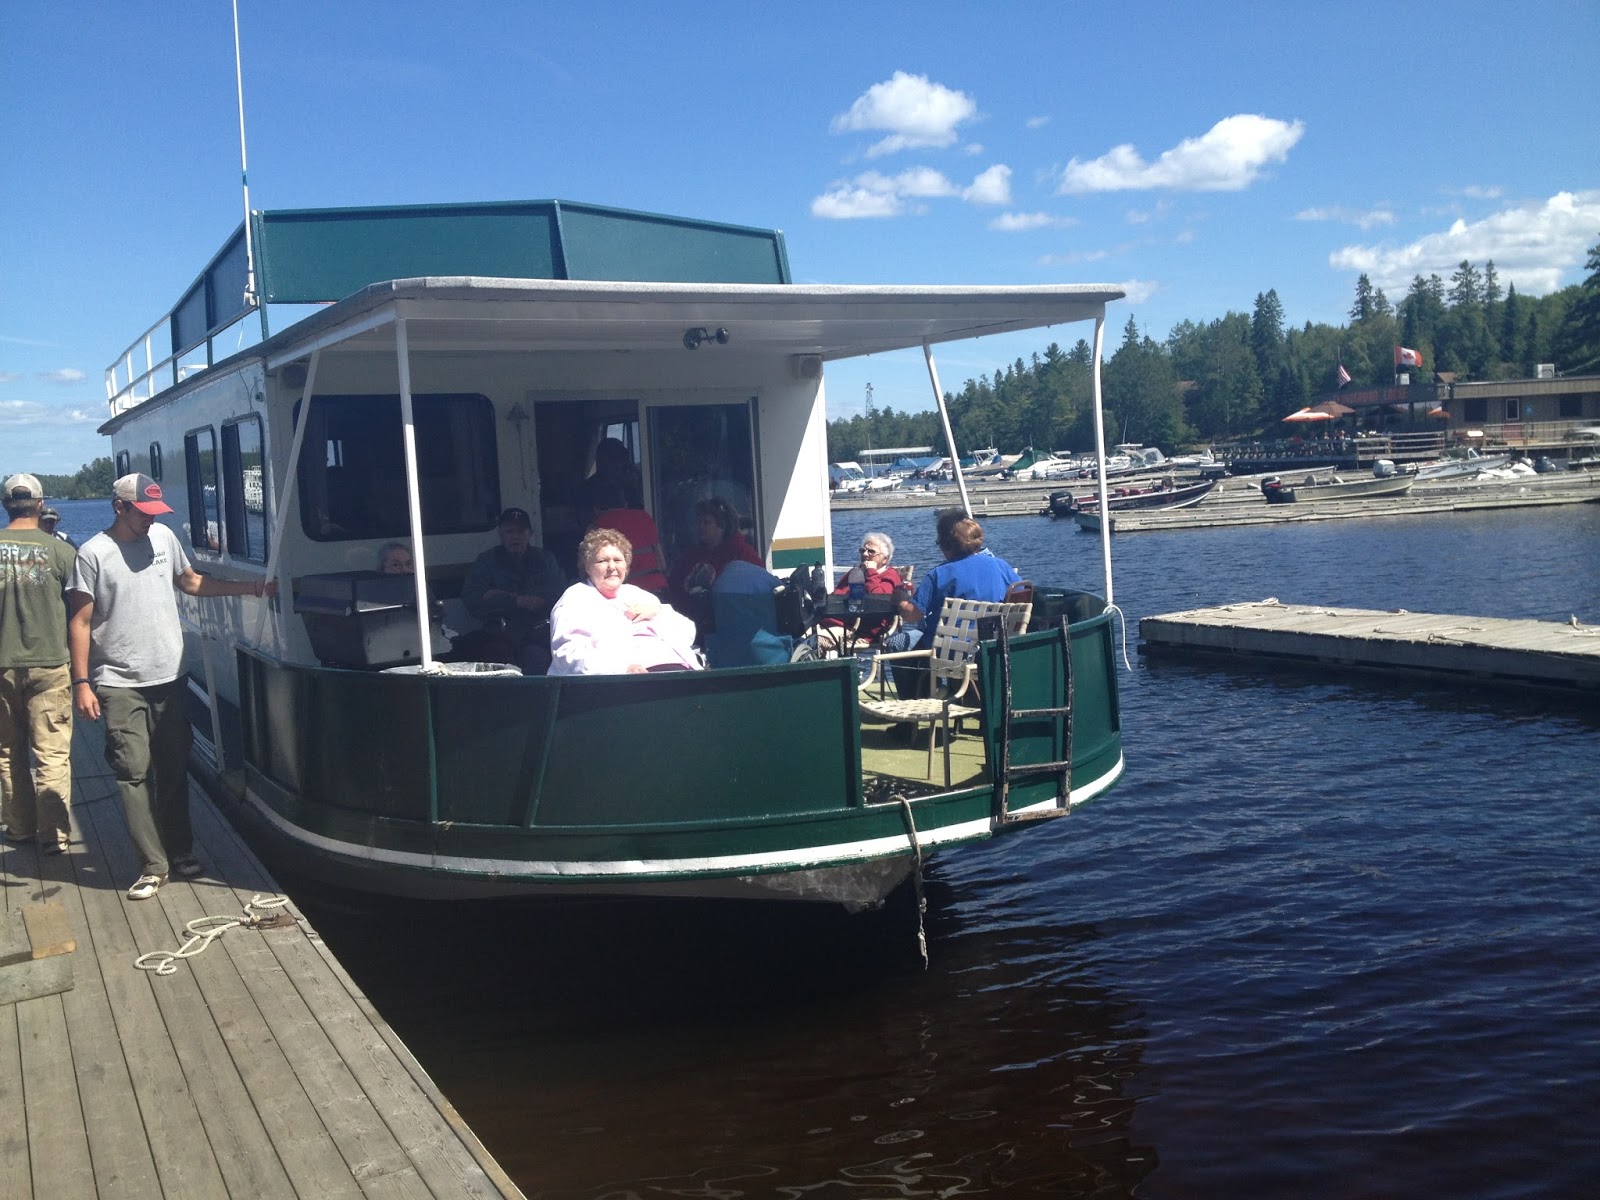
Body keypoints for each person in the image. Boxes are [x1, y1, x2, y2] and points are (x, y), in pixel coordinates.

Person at [67, 473, 278, 900]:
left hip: (170, 675)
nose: (148, 520)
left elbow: (191, 582)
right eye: (141, 513)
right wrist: (82, 683)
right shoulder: (93, 553)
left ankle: (180, 851)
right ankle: (153, 865)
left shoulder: (163, 537)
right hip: (118, 682)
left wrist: (251, 588)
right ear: (119, 507)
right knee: (132, 772)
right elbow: (80, 621)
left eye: (153, 513)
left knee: (173, 768)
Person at [0, 474, 78, 854]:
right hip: (50, 665)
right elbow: (82, 613)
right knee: (52, 754)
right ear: (41, 505)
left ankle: (18, 829)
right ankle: (54, 835)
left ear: (5, 505)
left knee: (7, 753)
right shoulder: (61, 552)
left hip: (1, 667)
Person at [881, 512, 1020, 699]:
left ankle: (915, 713)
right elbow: (1021, 596)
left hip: (947, 652)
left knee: (897, 643)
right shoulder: (1000, 566)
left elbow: (912, 615)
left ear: (946, 544)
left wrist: (899, 598)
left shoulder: (939, 574)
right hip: (991, 648)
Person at [549, 528, 701, 675]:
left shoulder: (637, 594)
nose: (612, 567)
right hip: (625, 684)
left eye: (617, 560)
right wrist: (622, 668)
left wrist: (657, 614)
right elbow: (568, 656)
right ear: (587, 567)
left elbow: (688, 632)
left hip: (680, 671)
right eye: (602, 561)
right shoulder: (576, 598)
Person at [460, 507, 567, 674]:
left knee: (538, 659)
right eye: (509, 531)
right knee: (496, 660)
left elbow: (561, 595)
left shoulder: (546, 560)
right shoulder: (486, 561)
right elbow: (473, 600)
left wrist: (539, 602)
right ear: (501, 534)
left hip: (537, 632)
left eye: (521, 531)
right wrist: (513, 601)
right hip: (498, 634)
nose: (515, 537)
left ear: (530, 533)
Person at [666, 496, 762, 634]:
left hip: (733, 629)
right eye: (699, 522)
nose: (701, 527)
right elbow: (675, 587)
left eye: (707, 523)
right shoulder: (690, 557)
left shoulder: (743, 554)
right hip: (695, 629)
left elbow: (758, 591)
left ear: (722, 526)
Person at [815, 531, 904, 653]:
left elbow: (879, 600)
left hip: (856, 630)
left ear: (885, 559)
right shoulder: (856, 572)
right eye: (862, 550)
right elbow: (838, 594)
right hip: (831, 622)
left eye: (871, 551)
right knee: (796, 636)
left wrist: (871, 572)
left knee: (814, 642)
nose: (865, 554)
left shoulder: (890, 575)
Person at [575, 437, 643, 525]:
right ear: (601, 459)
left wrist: (636, 485)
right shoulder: (586, 490)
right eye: (615, 458)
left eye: (622, 459)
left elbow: (640, 514)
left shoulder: (628, 486)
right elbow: (584, 521)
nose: (620, 464)